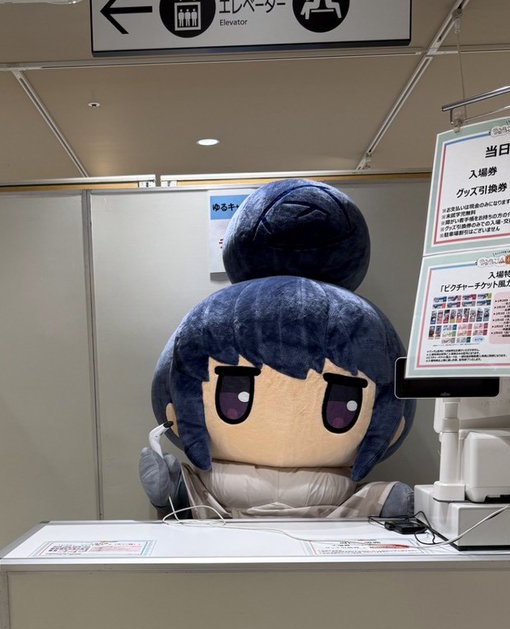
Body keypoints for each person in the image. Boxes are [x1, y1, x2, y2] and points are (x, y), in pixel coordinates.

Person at [139, 179, 416, 520]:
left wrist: (383, 500)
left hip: (331, 514)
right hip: (221, 511)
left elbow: (367, 502)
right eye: (234, 394)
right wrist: (173, 491)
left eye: (343, 402)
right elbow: (188, 502)